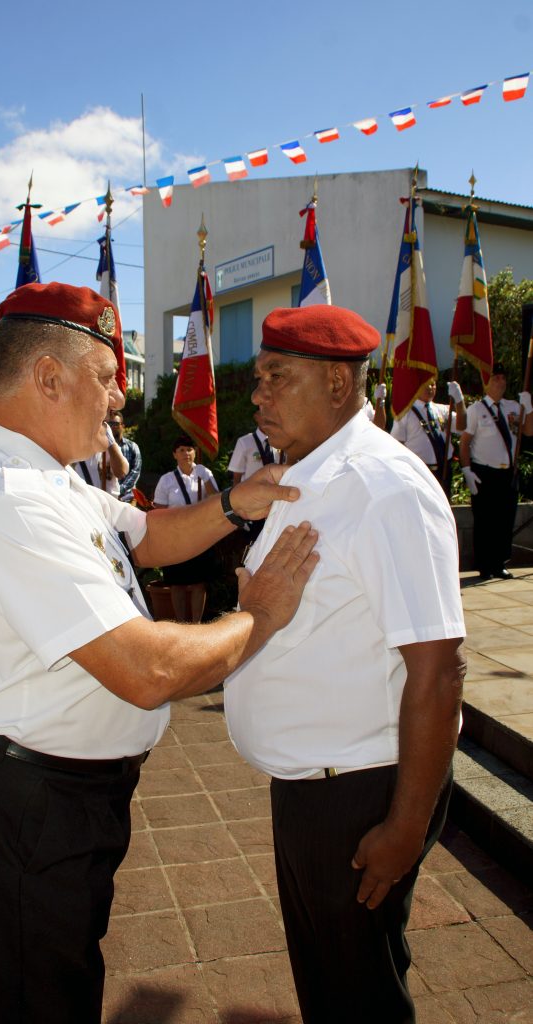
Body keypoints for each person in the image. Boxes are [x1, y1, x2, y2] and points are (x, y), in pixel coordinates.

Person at [0, 281, 319, 1024]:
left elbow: (147, 535)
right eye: (106, 379)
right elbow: (149, 671)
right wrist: (257, 616)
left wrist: (239, 501)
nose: (116, 402)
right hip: (24, 804)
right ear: (48, 376)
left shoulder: (51, 478)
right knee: (30, 1002)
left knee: (56, 984)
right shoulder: (10, 497)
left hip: (55, 797)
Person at [223, 304, 466, 1024]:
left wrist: (404, 826)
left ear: (336, 383)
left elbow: (437, 668)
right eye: (257, 377)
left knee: (357, 995)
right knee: (332, 984)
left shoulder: (380, 486)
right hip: (312, 783)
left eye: (276, 377)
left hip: (356, 793)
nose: (257, 394)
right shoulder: (307, 477)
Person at [459, 361, 533, 580]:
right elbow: (464, 442)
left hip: (507, 473)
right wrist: (466, 471)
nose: (500, 381)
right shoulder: (476, 410)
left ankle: (499, 562)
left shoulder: (512, 407)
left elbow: (528, 432)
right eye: (495, 378)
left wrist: (528, 409)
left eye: (502, 378)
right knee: (485, 521)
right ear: (486, 383)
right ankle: (484, 565)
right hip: (484, 473)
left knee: (504, 520)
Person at [152, 435, 219, 622]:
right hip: (176, 535)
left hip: (200, 533)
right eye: (181, 450)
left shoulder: (204, 473)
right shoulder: (166, 480)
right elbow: (159, 510)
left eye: (189, 449)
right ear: (174, 455)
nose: (186, 453)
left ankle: (196, 623)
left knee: (199, 582)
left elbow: (216, 499)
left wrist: (206, 480)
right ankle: (181, 622)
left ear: (195, 452)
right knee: (177, 583)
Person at [391, 378, 467, 493]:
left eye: (433, 384)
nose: (430, 388)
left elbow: (462, 426)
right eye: (426, 385)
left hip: (443, 471)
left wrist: (459, 400)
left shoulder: (443, 410)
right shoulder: (405, 412)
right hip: (419, 472)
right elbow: (397, 444)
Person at [72, 420, 129, 496]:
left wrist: (110, 442)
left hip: (109, 504)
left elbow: (121, 472)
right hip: (84, 500)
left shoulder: (112, 448)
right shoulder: (76, 446)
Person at [107, 408, 142, 502]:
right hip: (107, 498)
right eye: (110, 424)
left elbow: (135, 473)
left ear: (122, 426)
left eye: (116, 424)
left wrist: (119, 491)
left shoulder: (133, 447)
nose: (112, 427)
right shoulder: (103, 449)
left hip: (128, 499)